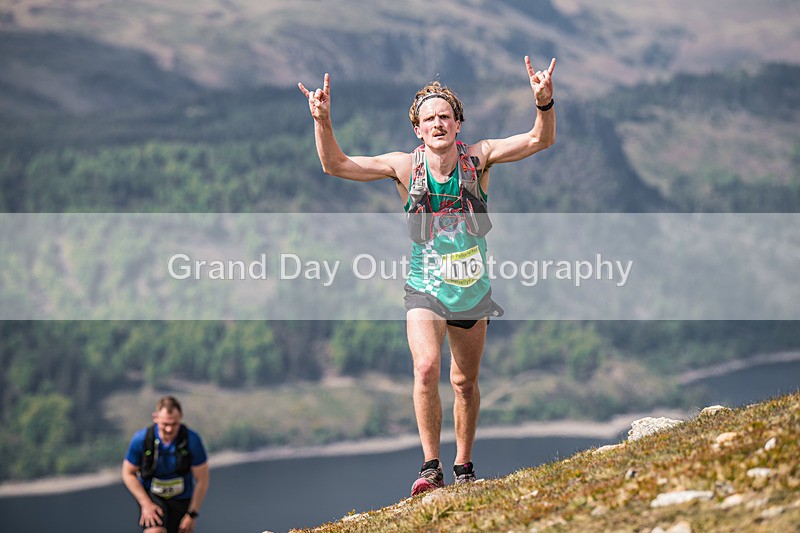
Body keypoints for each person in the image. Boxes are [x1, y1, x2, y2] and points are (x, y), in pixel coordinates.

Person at [298, 54, 556, 496]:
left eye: (445, 116)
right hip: (424, 287)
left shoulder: (481, 158)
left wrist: (544, 102)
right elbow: (335, 165)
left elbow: (538, 140)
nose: (437, 124)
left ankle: (465, 465)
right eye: (428, 118)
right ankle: (431, 466)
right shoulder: (404, 166)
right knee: (424, 368)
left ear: (458, 124)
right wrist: (322, 120)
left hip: (472, 288)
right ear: (416, 128)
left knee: (464, 382)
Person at [122, 396, 210, 533]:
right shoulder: (141, 439)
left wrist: (192, 514)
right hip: (153, 497)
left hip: (182, 497)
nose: (169, 429)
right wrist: (145, 503)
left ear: (180, 417)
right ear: (155, 418)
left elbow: (202, 479)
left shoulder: (192, 440)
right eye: (164, 424)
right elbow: (128, 473)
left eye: (174, 424)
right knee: (155, 531)